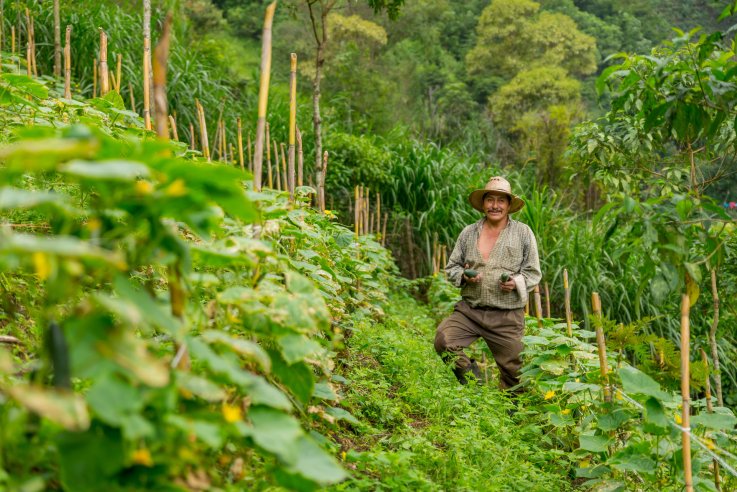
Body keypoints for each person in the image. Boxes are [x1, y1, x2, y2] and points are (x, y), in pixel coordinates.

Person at [434, 176, 541, 388]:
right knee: (444, 341)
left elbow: (533, 272)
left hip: (507, 316)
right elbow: (452, 267)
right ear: (483, 204)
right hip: (470, 310)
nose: (495, 205)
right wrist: (464, 276)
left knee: (514, 374)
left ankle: (510, 415)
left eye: (501, 201)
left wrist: (515, 282)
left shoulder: (522, 233)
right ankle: (475, 385)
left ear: (509, 205)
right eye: (490, 200)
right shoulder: (468, 233)